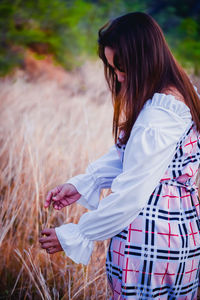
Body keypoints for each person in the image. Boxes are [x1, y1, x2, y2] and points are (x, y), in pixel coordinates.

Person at [39, 12, 200, 299]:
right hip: (180, 235)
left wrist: (78, 234)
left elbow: (131, 197)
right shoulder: (182, 94)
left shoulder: (158, 115)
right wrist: (84, 183)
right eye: (114, 68)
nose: (120, 77)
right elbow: (136, 157)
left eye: (123, 67)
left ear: (146, 59)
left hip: (150, 242)